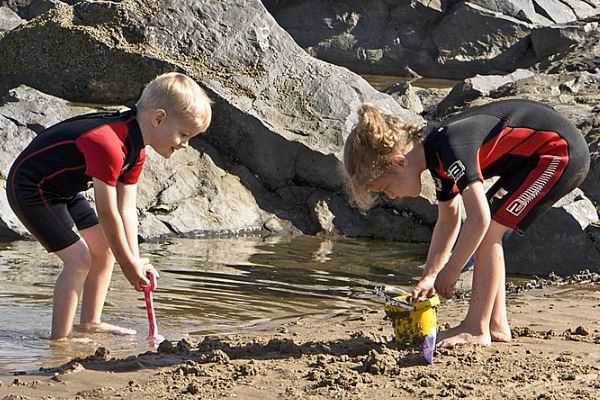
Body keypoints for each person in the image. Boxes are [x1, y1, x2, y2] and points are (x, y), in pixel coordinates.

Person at [343, 99, 590, 347]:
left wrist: (451, 270)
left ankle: (476, 328)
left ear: (399, 162)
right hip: (532, 159)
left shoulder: (449, 146)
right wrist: (429, 276)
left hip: (559, 153)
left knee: (489, 230)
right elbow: (448, 220)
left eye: (385, 188)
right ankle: (496, 324)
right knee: (491, 227)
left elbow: (478, 219)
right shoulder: (436, 157)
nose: (391, 196)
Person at [6, 72, 213, 340]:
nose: (185, 144)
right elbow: (107, 212)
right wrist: (129, 266)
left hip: (64, 189)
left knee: (103, 250)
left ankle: (90, 322)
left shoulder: (136, 150)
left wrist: (134, 258)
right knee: (79, 260)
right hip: (31, 187)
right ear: (159, 118)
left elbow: (126, 209)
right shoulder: (110, 144)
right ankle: (61, 339)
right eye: (183, 135)